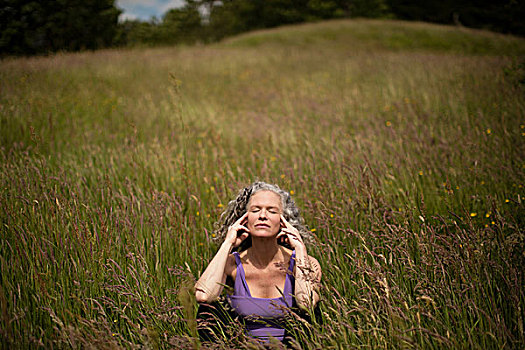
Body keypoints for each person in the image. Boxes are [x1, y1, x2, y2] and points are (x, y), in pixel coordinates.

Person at [195, 181, 322, 345]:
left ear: (285, 221)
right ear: (244, 219)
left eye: (272, 211)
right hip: (243, 346)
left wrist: (300, 248)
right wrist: (227, 244)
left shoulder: (306, 263)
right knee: (206, 311)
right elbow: (203, 296)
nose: (263, 216)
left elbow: (307, 304)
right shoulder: (233, 263)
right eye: (255, 210)